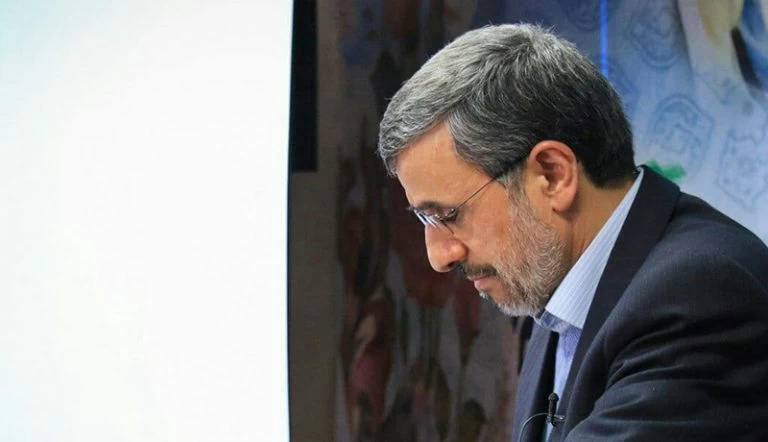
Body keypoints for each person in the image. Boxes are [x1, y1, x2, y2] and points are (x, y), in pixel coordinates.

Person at [376, 23, 768, 441]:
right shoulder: (557, 286)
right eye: (425, 219)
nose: (439, 256)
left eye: (449, 215)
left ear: (553, 175)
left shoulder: (699, 293)